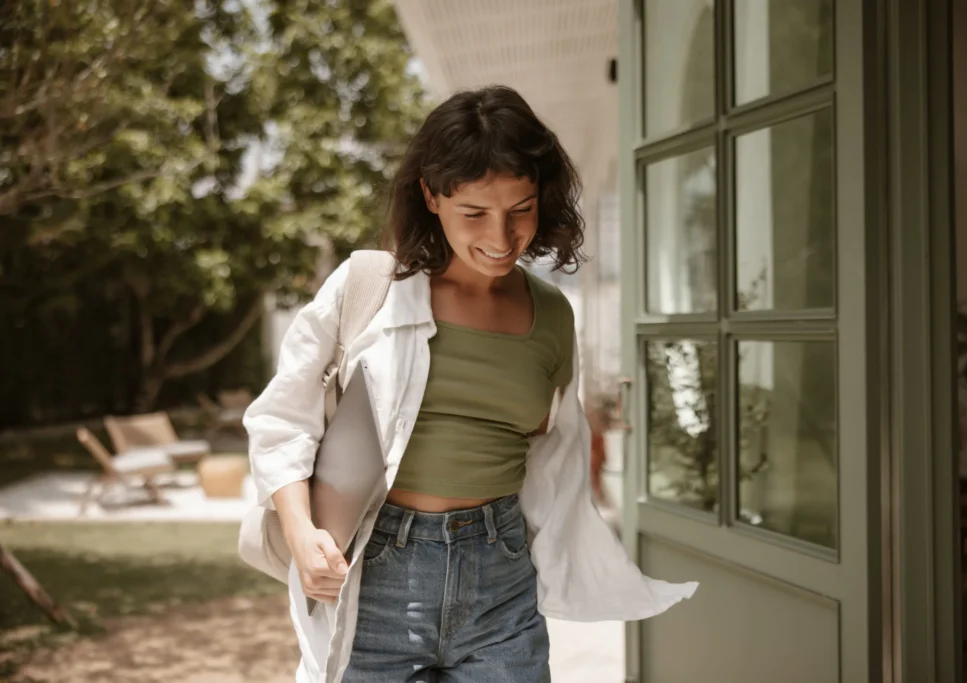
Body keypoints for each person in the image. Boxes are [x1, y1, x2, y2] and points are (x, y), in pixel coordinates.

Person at [243, 85, 697, 683]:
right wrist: (302, 535)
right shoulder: (368, 288)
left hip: (500, 579)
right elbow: (282, 421)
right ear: (431, 195)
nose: (502, 239)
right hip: (375, 574)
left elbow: (552, 454)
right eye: (475, 213)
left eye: (521, 210)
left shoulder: (552, 315)